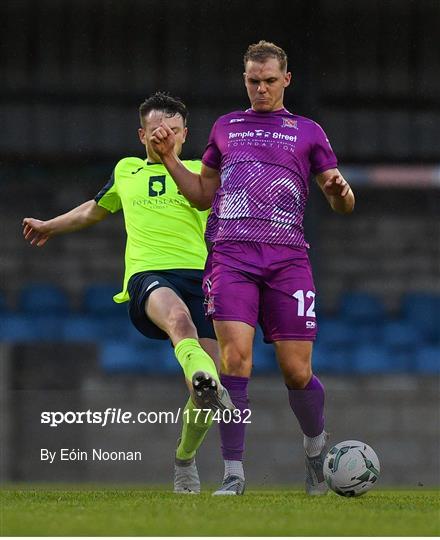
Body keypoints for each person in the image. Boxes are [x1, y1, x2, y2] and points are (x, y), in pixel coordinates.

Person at [150, 41, 355, 496]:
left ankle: (315, 446)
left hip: (287, 260)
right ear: (244, 80)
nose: (260, 88)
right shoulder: (226, 128)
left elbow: (341, 201)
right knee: (234, 362)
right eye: (252, 81)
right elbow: (203, 194)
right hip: (231, 256)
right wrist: (167, 159)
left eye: (268, 80)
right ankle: (234, 474)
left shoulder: (308, 132)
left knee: (296, 371)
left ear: (286, 79)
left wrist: (341, 192)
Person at [22, 91, 235, 495]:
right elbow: (94, 209)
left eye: (172, 130)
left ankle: (185, 457)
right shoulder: (127, 172)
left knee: (201, 387)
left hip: (203, 277)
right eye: (156, 130)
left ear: (185, 134)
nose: (164, 136)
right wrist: (50, 225)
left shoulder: (201, 174)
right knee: (178, 321)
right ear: (141, 135)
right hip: (149, 275)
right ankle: (206, 377)